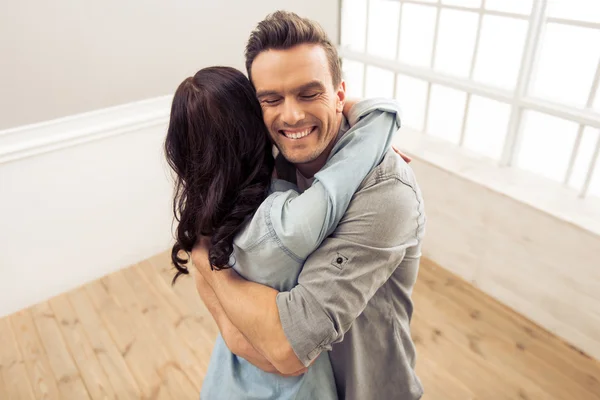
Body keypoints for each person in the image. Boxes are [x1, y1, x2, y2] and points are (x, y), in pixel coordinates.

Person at [190, 11, 425, 400]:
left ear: (339, 95)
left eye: (308, 93)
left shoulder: (387, 192)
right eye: (272, 99)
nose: (292, 114)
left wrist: (206, 263)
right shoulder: (266, 156)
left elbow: (286, 347)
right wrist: (235, 335)